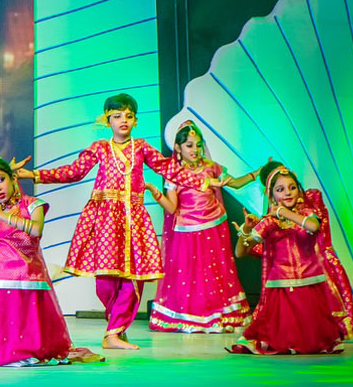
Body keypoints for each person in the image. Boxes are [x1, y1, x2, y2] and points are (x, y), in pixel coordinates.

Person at [16, 93, 210, 350]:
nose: (123, 120)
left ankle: (113, 333)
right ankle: (116, 324)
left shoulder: (141, 147)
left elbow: (168, 168)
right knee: (105, 283)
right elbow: (73, 172)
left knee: (134, 277)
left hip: (135, 220)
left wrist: (204, 180)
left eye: (129, 116)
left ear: (135, 120)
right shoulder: (100, 148)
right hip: (105, 220)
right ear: (107, 120)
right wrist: (34, 174)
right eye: (117, 116)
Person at [0, 155, 102, 367]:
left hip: (30, 282)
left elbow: (36, 230)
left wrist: (2, 216)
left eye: (1, 179)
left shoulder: (32, 205)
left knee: (32, 347)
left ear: (12, 178)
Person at [228, 163, 345, 355]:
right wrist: (246, 230)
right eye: (280, 189)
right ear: (271, 195)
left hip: (310, 283)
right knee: (282, 337)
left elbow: (314, 226)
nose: (288, 193)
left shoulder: (308, 214)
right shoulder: (270, 222)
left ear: (299, 190)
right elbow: (241, 252)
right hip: (281, 286)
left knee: (313, 339)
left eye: (292, 187)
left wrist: (283, 212)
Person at [145, 120, 249, 333]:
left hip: (213, 226)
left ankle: (219, 314)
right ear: (178, 147)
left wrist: (258, 173)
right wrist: (155, 193)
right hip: (187, 230)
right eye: (189, 145)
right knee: (190, 275)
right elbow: (172, 208)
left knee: (215, 272)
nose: (195, 150)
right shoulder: (174, 173)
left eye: (199, 145)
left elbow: (236, 183)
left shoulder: (211, 168)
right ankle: (192, 317)